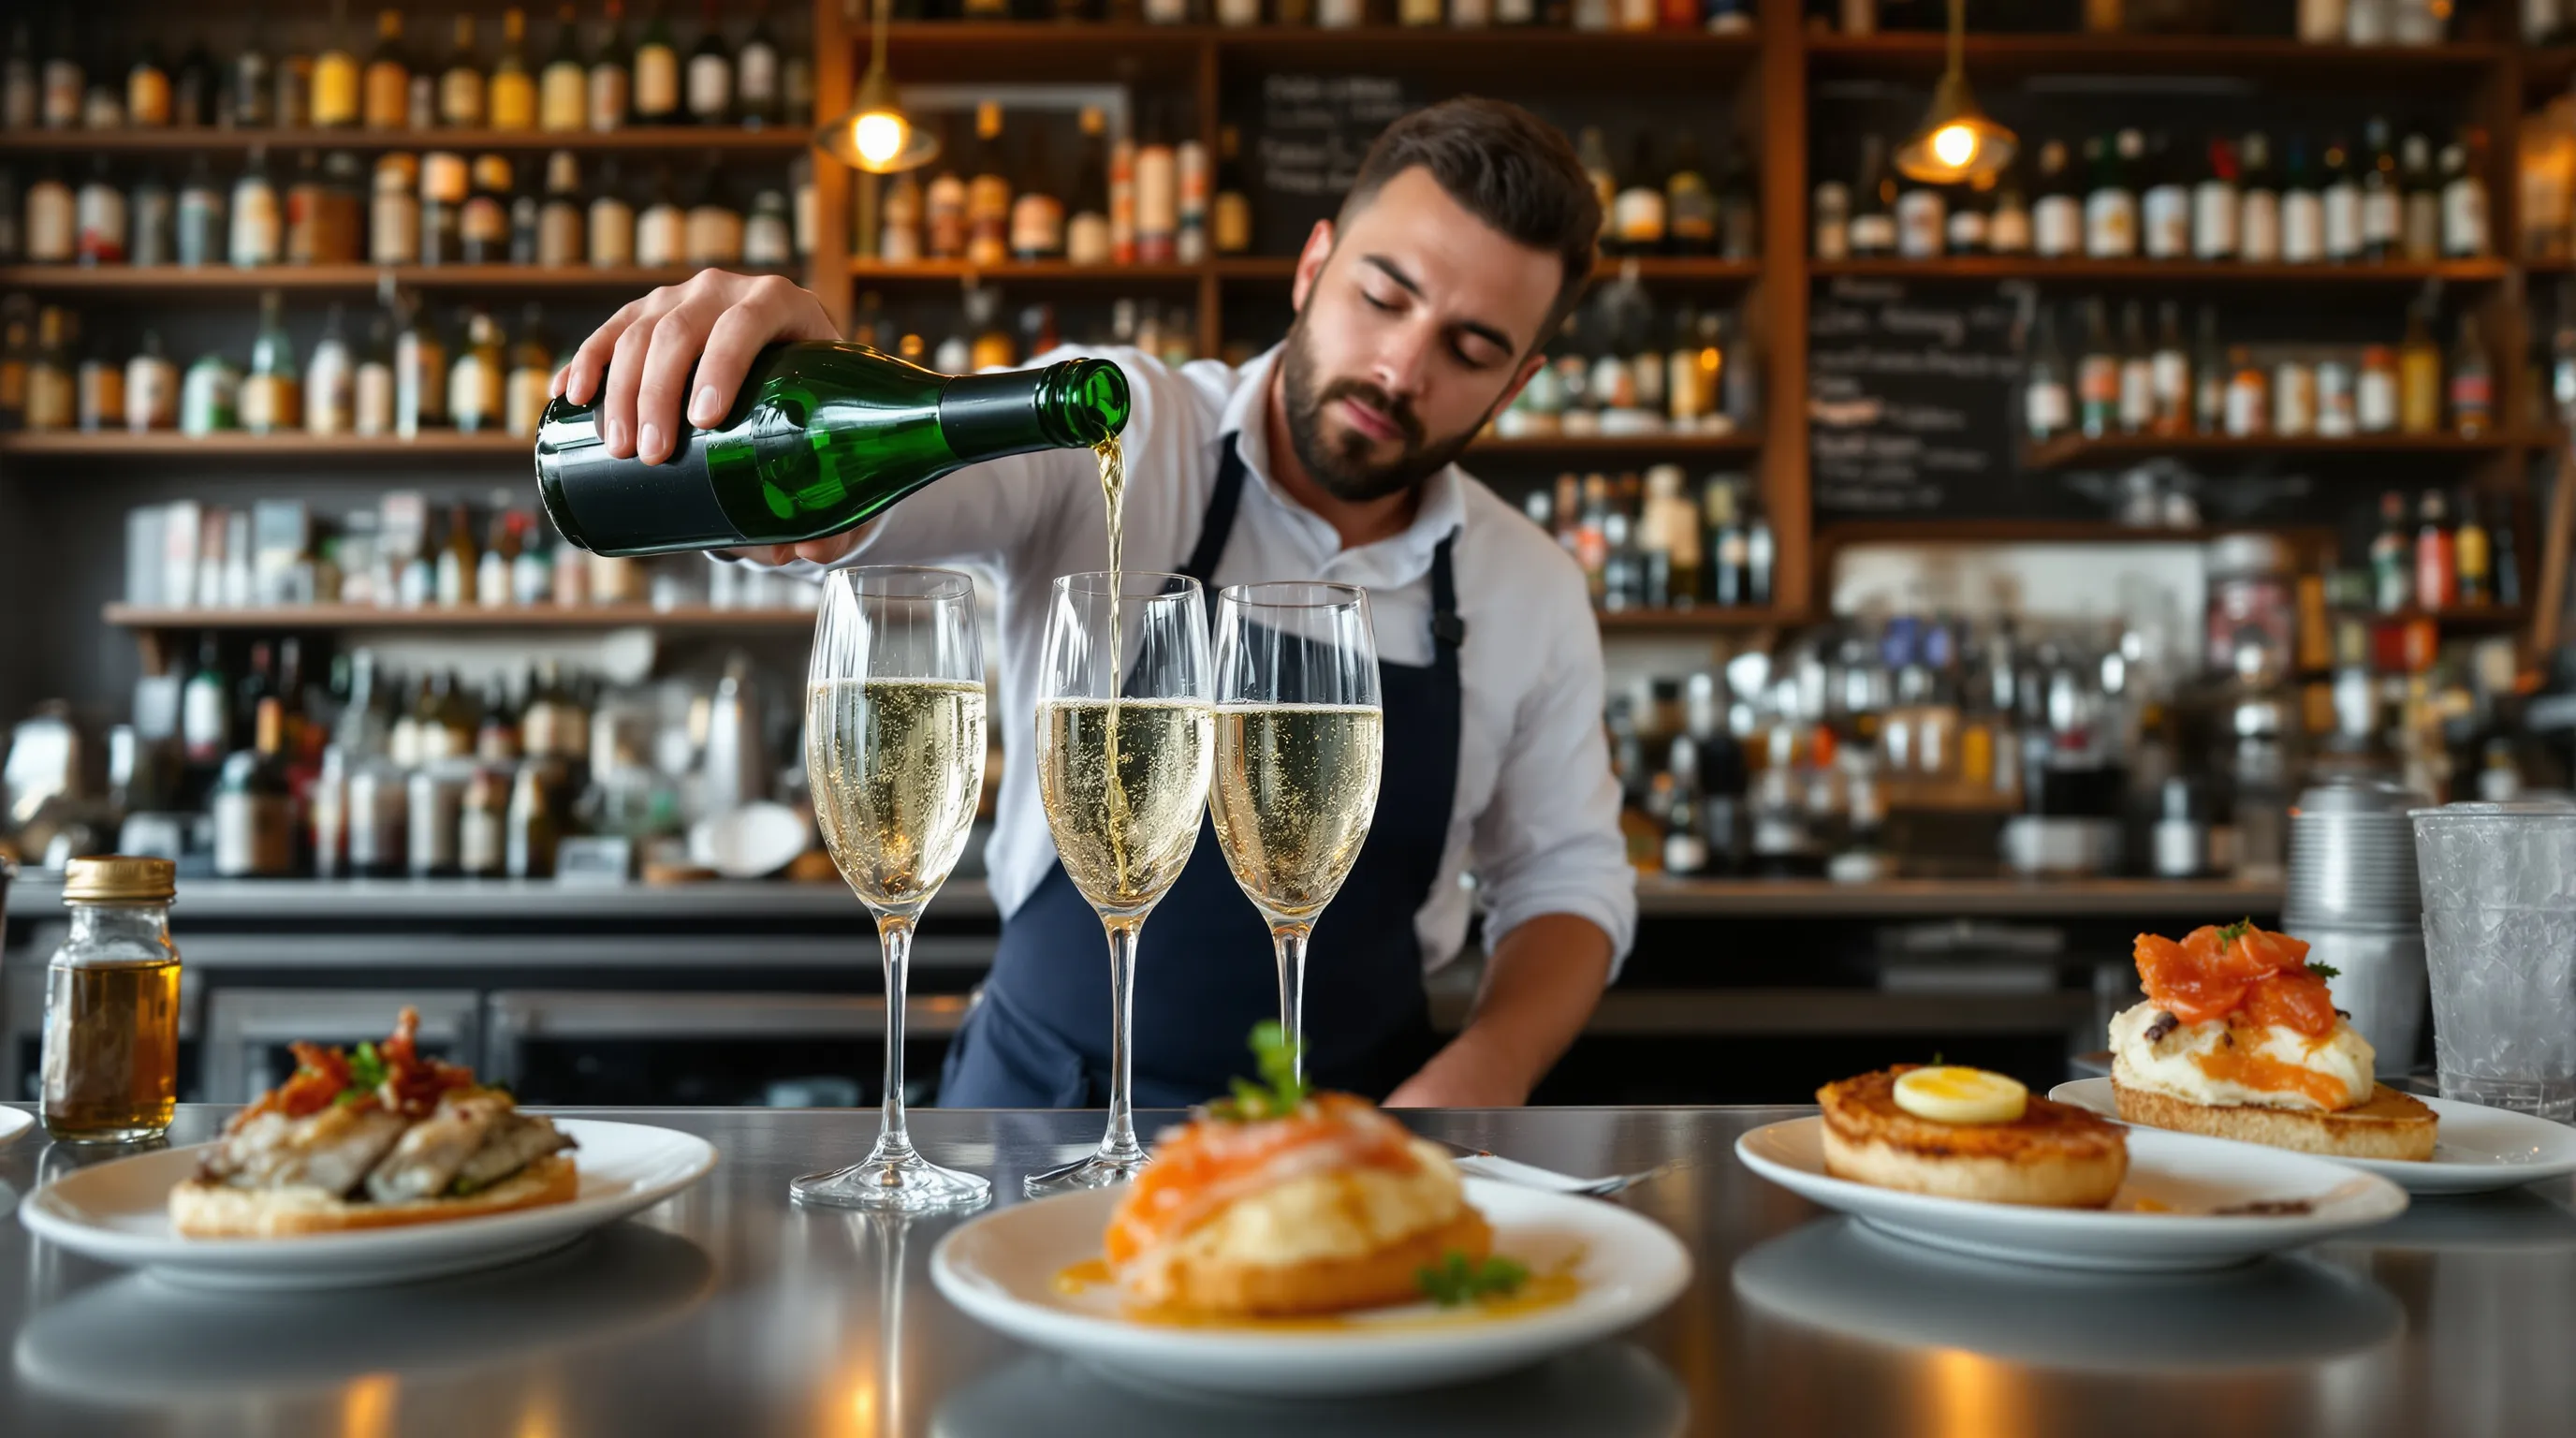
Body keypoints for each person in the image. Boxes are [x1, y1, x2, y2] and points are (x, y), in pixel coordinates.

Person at [551, 97, 1634, 1108]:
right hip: (1040, 1114)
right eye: (1382, 297)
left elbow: (1566, 880)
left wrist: (1464, 1098)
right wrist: (785, 376)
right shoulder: (1124, 428)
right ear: (1313, 267)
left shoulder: (1524, 583)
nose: (1401, 367)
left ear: (1519, 380)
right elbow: (879, 513)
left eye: (1470, 348)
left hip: (1349, 1127)